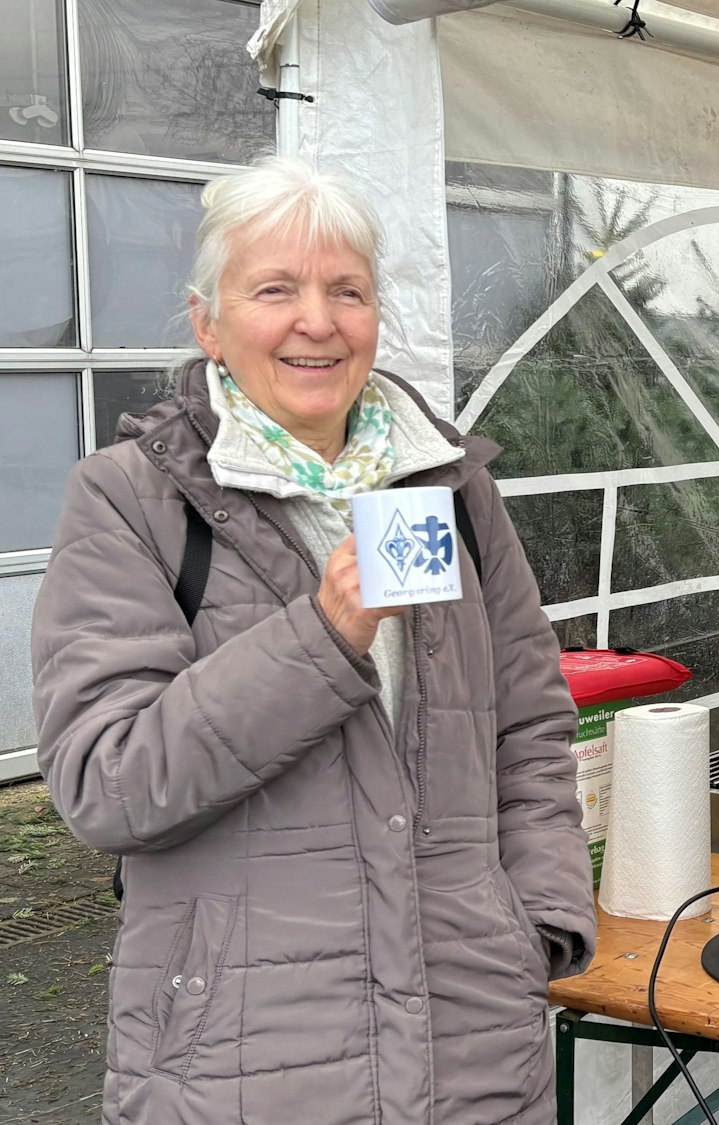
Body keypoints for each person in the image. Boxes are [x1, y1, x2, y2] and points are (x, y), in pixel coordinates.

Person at [31, 156, 593, 1123]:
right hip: (244, 1060)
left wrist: (532, 925)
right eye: (275, 289)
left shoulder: (449, 487)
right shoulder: (131, 499)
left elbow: (532, 729)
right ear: (209, 321)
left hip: (474, 1045)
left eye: (347, 291)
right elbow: (106, 783)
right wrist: (324, 634)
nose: (318, 321)